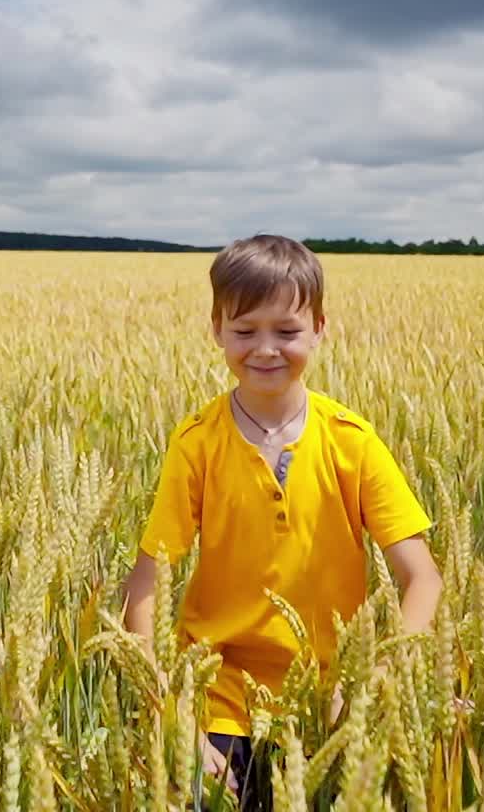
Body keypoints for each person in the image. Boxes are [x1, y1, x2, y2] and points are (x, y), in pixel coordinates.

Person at [123, 234, 443, 808]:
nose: (265, 349)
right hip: (219, 700)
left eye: (287, 332)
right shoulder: (196, 444)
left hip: (334, 702)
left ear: (319, 328)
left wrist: (379, 682)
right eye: (245, 331)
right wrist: (174, 717)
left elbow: (423, 578)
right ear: (216, 329)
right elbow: (146, 585)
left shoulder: (353, 442)